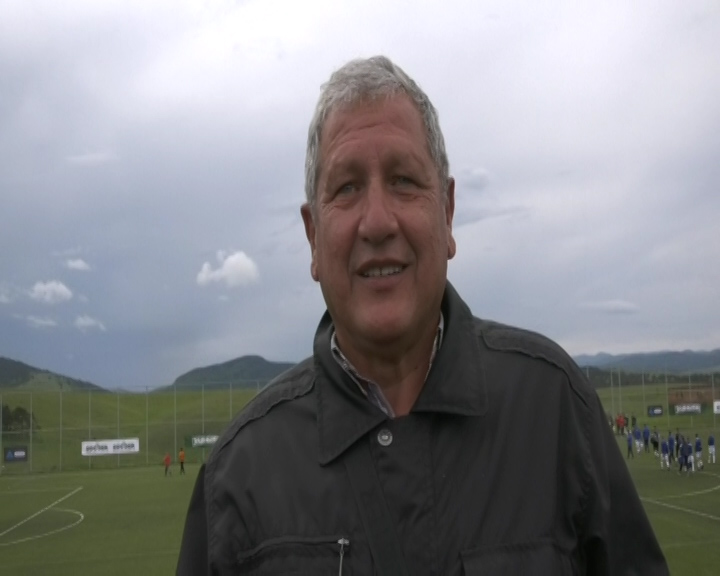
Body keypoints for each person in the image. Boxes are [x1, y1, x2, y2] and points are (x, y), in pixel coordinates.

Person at [176, 55, 667, 575]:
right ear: (313, 236)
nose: (377, 222)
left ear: (448, 214)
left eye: (404, 180)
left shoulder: (556, 411)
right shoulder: (237, 478)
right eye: (346, 188)